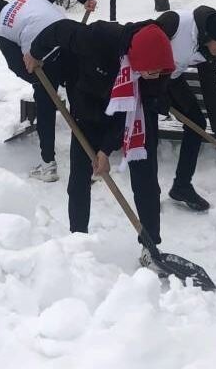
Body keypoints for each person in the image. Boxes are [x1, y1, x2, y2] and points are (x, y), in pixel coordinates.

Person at [30, 18, 174, 269]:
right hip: (88, 109)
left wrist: (106, 150)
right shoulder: (96, 38)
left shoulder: (156, 71)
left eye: (158, 73)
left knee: (146, 176)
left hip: (134, 114)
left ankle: (150, 245)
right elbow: (59, 29)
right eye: (150, 72)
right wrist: (34, 52)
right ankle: (78, 240)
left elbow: (129, 112)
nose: (154, 77)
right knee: (79, 177)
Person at [0, 0, 98, 181]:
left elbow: (15, 64)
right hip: (69, 40)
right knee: (79, 102)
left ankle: (48, 165)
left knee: (45, 108)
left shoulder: (1, 29)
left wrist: (37, 79)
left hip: (44, 59)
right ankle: (89, 162)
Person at [152, 6, 216, 211]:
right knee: (148, 130)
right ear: (212, 36)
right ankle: (149, 192)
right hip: (146, 79)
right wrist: (155, 93)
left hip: (171, 79)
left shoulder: (208, 49)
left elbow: (211, 89)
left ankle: (182, 186)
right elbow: (140, 51)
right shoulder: (174, 24)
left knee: (196, 124)